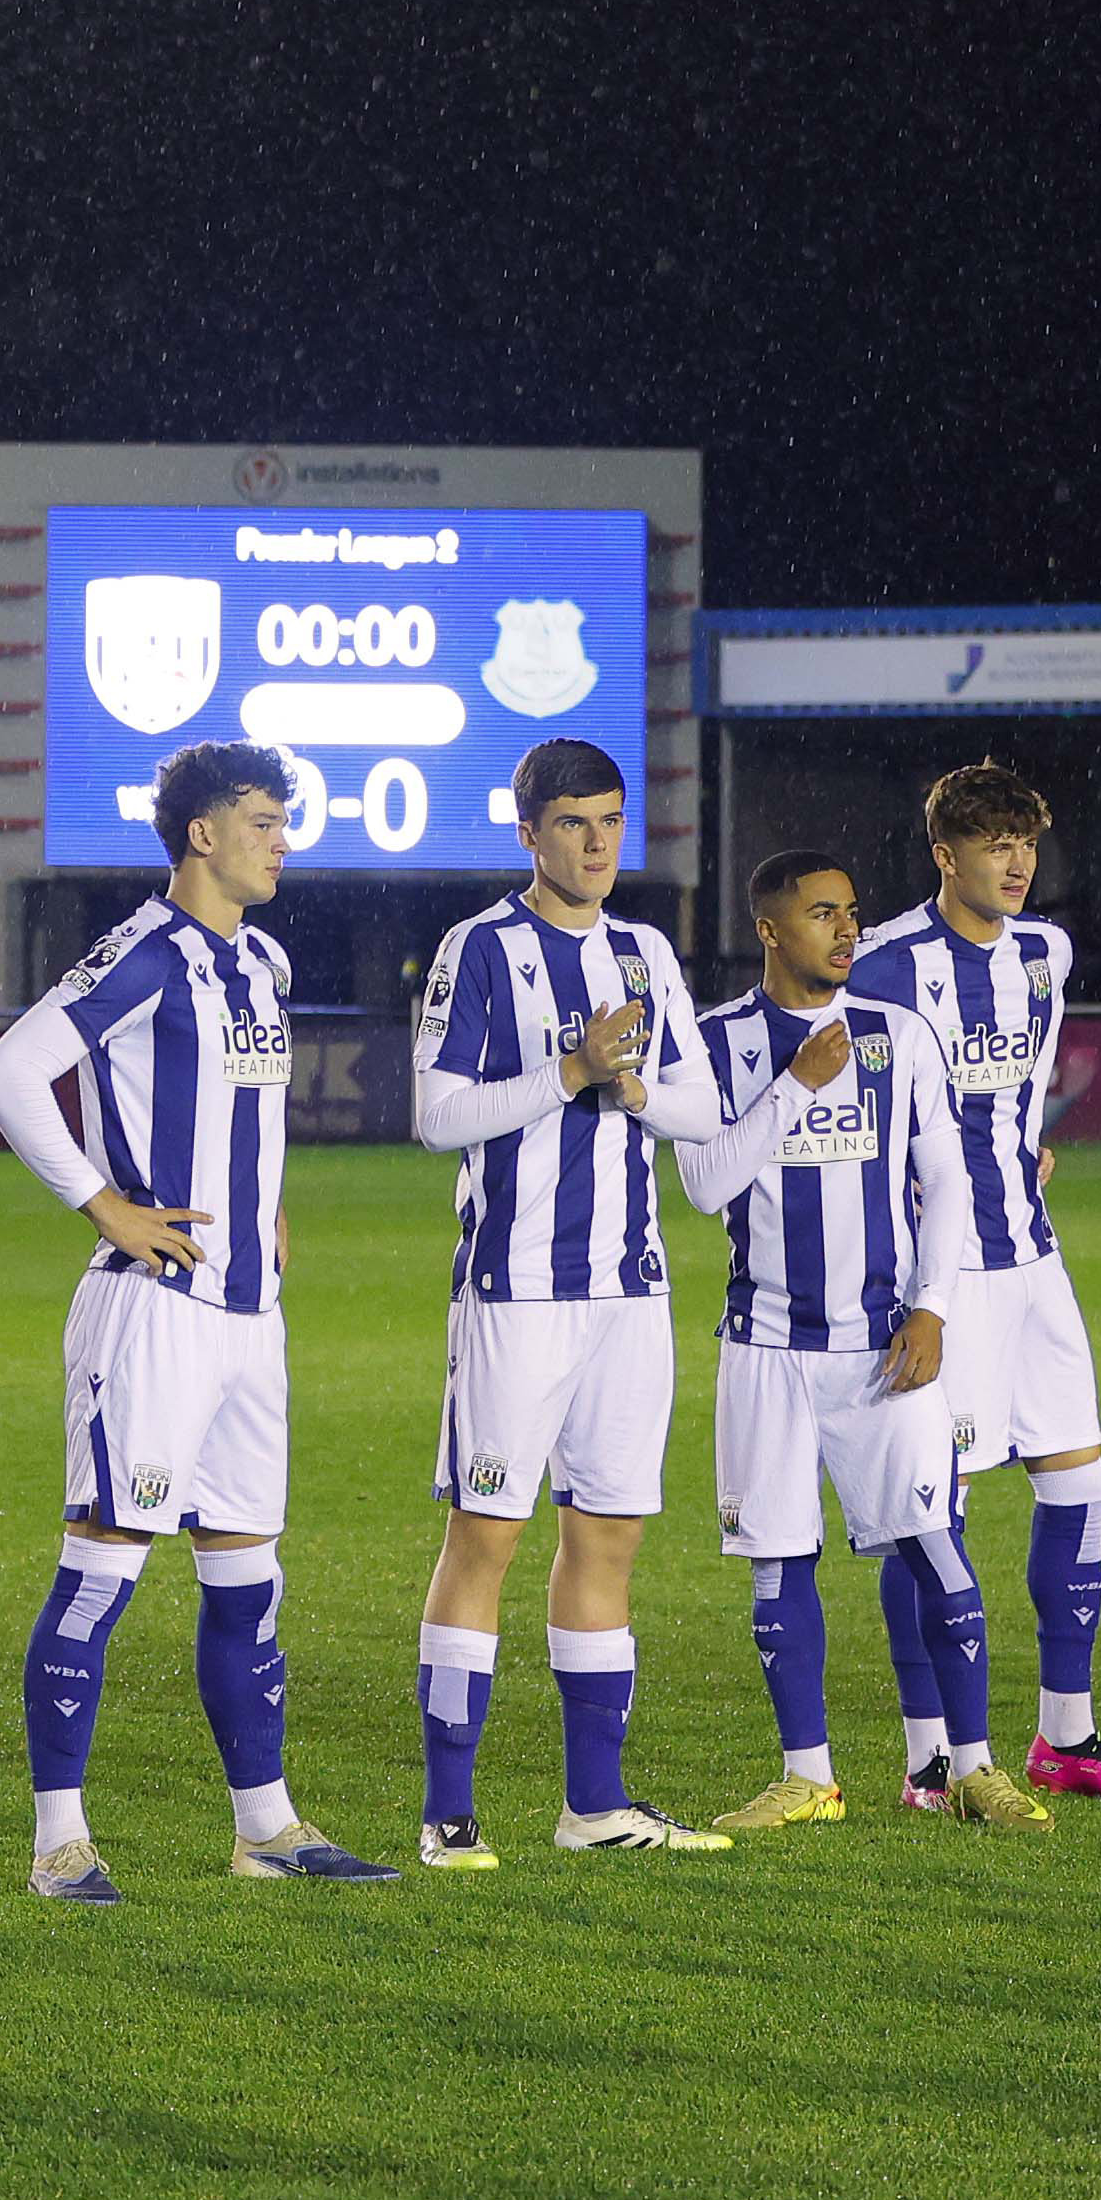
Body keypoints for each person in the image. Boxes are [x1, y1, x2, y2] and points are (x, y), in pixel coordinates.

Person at [0, 738, 381, 1892]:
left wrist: (273, 1202)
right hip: (153, 1311)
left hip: (251, 1319)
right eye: (263, 820)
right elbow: (13, 1072)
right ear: (202, 832)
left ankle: (268, 1830)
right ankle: (58, 1843)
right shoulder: (146, 954)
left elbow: (239, 1114)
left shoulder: (263, 963)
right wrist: (104, 1204)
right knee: (102, 1566)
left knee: (246, 1578)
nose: (281, 840)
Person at [402, 738, 786, 1866]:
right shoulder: (479, 949)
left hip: (629, 1291)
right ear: (528, 832)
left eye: (611, 822)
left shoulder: (645, 952)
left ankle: (595, 1806)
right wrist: (567, 1076)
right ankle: (447, 1816)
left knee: (606, 1538)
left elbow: (702, 1113)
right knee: (486, 1538)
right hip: (517, 1293)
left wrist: (631, 1086)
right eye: (573, 824)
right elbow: (433, 1116)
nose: (597, 843)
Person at [692, 848, 1044, 1833]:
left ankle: (969, 1768)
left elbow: (949, 1183)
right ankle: (808, 1777)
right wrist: (799, 1085)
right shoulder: (717, 1042)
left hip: (881, 1347)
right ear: (769, 929)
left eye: (850, 913)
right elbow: (704, 1182)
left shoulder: (898, 1035)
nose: (845, 931)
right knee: (778, 1558)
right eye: (819, 915)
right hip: (763, 1346)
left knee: (936, 1547)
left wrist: (933, 1305)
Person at [852, 763, 1101, 1802]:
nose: (1018, 861)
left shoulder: (1044, 952)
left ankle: (1064, 1739)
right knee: (932, 1511)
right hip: (943, 1277)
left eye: (1026, 841)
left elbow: (1018, 1092)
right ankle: (928, 1755)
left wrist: (1023, 1150)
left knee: (1079, 1482)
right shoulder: (886, 964)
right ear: (946, 856)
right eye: (994, 844)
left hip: (1034, 1259)